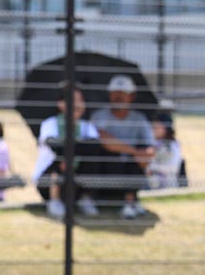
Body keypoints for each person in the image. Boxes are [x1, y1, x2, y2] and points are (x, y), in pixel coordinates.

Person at [90, 75, 156, 219]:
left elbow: (151, 148)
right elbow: (104, 140)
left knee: (138, 157)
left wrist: (144, 154)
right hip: (105, 168)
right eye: (115, 93)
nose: (118, 97)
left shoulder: (139, 119)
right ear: (109, 95)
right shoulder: (99, 116)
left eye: (122, 93)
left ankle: (130, 202)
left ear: (131, 96)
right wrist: (133, 151)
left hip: (130, 169)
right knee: (109, 153)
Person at [32, 82, 101, 219]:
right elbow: (54, 146)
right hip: (48, 181)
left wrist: (69, 147)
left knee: (92, 160)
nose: (77, 105)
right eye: (73, 100)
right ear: (61, 104)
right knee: (61, 159)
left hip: (76, 180)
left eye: (80, 100)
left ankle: (85, 199)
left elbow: (94, 147)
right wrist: (77, 146)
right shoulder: (50, 124)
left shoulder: (87, 126)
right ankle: (55, 200)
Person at [147, 110, 184, 189]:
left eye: (157, 128)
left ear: (165, 128)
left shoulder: (173, 145)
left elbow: (173, 168)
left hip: (168, 186)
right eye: (153, 128)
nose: (154, 131)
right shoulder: (153, 144)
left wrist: (151, 167)